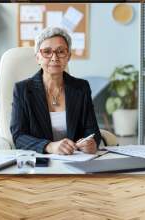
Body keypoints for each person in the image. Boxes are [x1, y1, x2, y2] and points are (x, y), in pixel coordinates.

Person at [10, 27, 101, 155]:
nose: (54, 57)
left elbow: (92, 130)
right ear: (37, 58)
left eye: (61, 51)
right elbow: (19, 136)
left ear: (68, 56)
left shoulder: (81, 87)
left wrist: (92, 142)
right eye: (47, 52)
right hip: (39, 162)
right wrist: (49, 146)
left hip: (75, 159)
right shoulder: (22, 90)